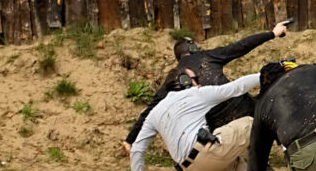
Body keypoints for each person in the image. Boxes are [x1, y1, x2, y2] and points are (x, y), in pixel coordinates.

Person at [122, 21, 289, 155]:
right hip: (239, 105)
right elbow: (241, 46)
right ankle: (286, 148)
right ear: (193, 48)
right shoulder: (206, 57)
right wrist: (272, 33)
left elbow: (149, 111)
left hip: (214, 125)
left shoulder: (174, 78)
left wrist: (130, 140)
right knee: (267, 109)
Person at [129, 69, 289, 171]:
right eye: (195, 79)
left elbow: (137, 148)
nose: (199, 82)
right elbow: (236, 88)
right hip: (206, 154)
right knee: (250, 122)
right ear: (184, 81)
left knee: (234, 163)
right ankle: (268, 163)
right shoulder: (195, 94)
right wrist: (267, 73)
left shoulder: (154, 112)